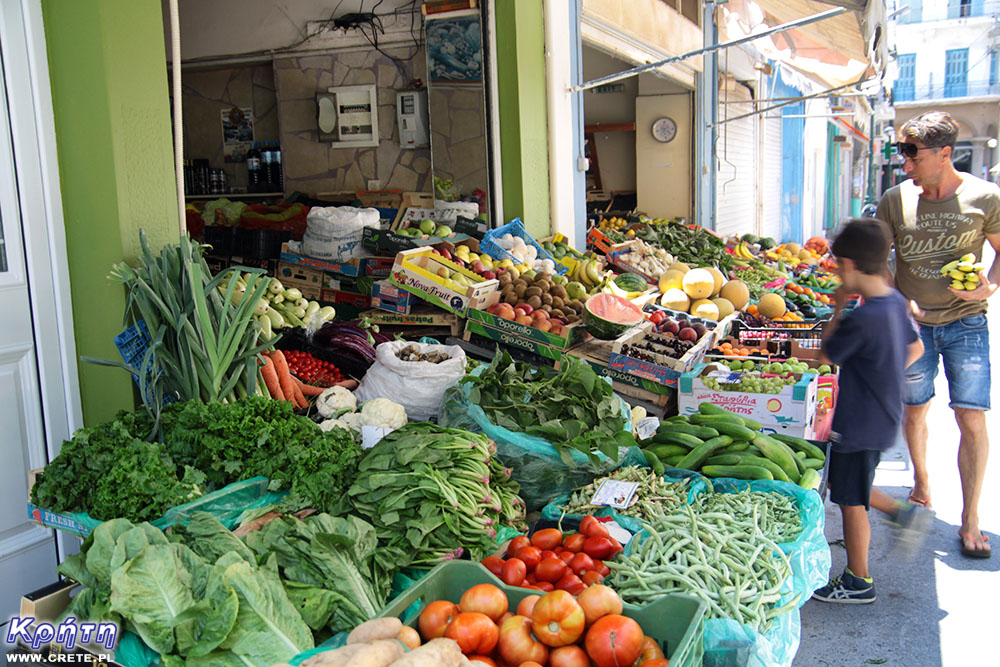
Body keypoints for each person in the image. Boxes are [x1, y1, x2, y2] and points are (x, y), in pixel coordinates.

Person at [875, 111, 999, 559]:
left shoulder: (986, 197)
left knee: (971, 416)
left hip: (968, 324)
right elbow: (878, 259)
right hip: (912, 328)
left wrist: (990, 283)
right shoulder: (895, 199)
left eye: (912, 154)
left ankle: (970, 519)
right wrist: (895, 297)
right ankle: (922, 481)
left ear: (944, 153)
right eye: (901, 153)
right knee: (915, 411)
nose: (905, 164)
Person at [812, 219, 925, 604]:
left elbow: (826, 356)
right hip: (881, 417)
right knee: (851, 484)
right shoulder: (893, 302)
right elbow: (916, 350)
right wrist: (883, 373)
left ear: (849, 265)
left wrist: (839, 307)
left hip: (857, 424)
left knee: (849, 500)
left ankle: (859, 579)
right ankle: (901, 513)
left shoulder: (862, 317)